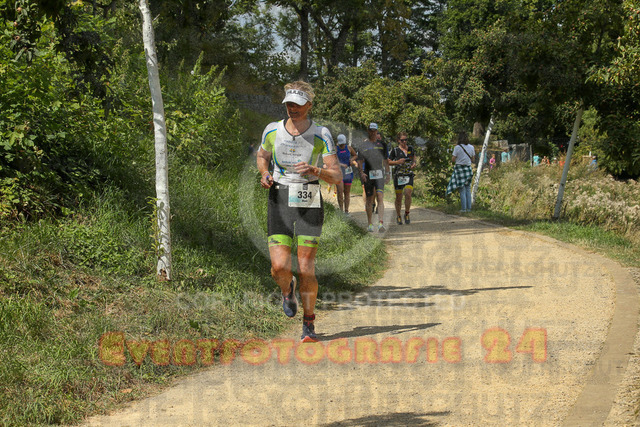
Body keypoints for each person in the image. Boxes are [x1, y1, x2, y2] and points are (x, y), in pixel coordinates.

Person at [256, 81, 341, 342]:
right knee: (278, 267)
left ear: (309, 105)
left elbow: (336, 175)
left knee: (306, 268)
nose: (293, 109)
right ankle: (287, 289)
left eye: (298, 105)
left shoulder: (321, 134)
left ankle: (309, 323)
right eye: (289, 104)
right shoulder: (272, 130)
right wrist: (265, 173)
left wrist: (316, 170)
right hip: (280, 196)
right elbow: (262, 156)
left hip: (308, 196)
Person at [356, 123, 390, 232]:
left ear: (377, 131)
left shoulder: (382, 144)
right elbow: (360, 161)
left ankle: (381, 223)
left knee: (380, 197)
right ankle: (370, 223)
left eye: (375, 130)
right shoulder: (363, 145)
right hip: (368, 174)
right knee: (369, 199)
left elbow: (386, 161)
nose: (373, 132)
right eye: (371, 130)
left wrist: (388, 174)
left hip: (379, 173)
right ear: (368, 131)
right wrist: (361, 173)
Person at [388, 132, 416, 225]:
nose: (404, 142)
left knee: (408, 193)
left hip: (409, 175)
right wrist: (397, 162)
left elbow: (414, 158)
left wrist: (414, 163)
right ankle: (398, 215)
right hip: (399, 176)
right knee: (399, 197)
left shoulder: (410, 148)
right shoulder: (395, 150)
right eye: (402, 140)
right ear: (398, 141)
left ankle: (407, 213)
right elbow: (388, 162)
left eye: (405, 140)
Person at [446, 132, 475, 213]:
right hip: (468, 168)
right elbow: (473, 159)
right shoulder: (471, 147)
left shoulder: (457, 147)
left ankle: (463, 209)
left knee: (462, 189)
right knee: (468, 189)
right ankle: (469, 208)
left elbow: (453, 159)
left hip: (459, 169)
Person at [335, 133, 358, 214]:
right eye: (341, 144)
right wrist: (341, 164)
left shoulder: (349, 148)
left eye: (343, 143)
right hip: (339, 173)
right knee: (340, 192)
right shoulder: (335, 149)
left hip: (348, 173)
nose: (342, 145)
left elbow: (355, 155)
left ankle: (346, 211)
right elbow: (333, 160)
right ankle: (341, 211)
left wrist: (351, 160)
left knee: (347, 193)